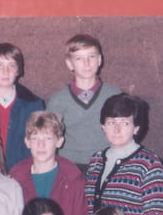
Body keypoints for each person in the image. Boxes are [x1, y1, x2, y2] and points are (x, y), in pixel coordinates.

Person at [9, 111, 88, 215]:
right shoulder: (15, 178)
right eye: (35, 138)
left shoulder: (74, 179)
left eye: (48, 138)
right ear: (27, 142)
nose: (41, 145)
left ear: (59, 141)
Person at [47, 34, 121, 173]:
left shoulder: (115, 95)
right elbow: (49, 139)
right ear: (69, 64)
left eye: (91, 56)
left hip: (107, 164)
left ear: (99, 60)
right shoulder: (58, 100)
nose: (86, 63)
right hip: (69, 168)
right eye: (79, 58)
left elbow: (125, 134)